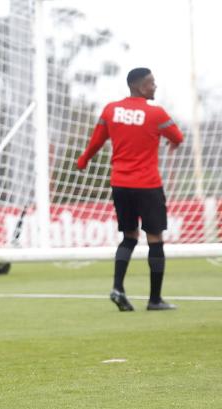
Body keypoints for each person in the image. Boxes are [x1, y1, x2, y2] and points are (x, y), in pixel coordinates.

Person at [77, 67, 184, 312]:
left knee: (129, 236)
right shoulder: (155, 113)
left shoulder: (111, 110)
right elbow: (177, 136)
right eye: (151, 83)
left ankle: (118, 288)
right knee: (155, 238)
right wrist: (173, 142)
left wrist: (83, 160)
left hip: (121, 184)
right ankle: (155, 300)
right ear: (138, 86)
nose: (155, 86)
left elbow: (97, 140)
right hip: (147, 185)